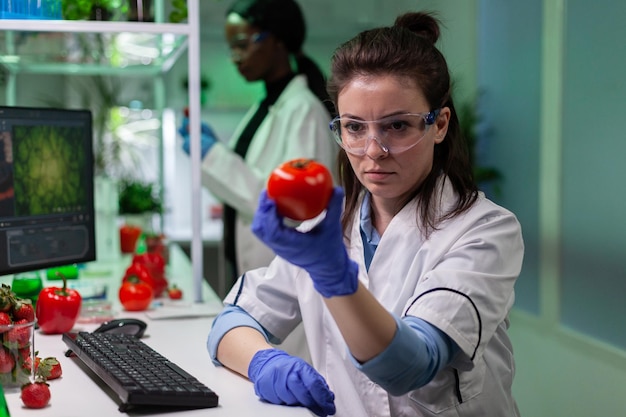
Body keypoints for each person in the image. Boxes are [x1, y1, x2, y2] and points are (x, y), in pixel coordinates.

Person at [207, 11, 524, 417]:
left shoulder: (484, 231)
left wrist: (334, 278)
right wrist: (263, 362)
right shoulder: (327, 229)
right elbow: (230, 322)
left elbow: (411, 365)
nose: (373, 150)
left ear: (439, 124)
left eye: (397, 126)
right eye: (354, 128)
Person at [178, 0, 337, 285]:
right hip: (252, 269)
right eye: (232, 48)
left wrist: (212, 155)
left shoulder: (304, 110)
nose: (235, 57)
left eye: (241, 44)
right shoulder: (265, 107)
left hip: (286, 280)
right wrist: (214, 155)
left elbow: (292, 207)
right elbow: (246, 188)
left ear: (276, 39)